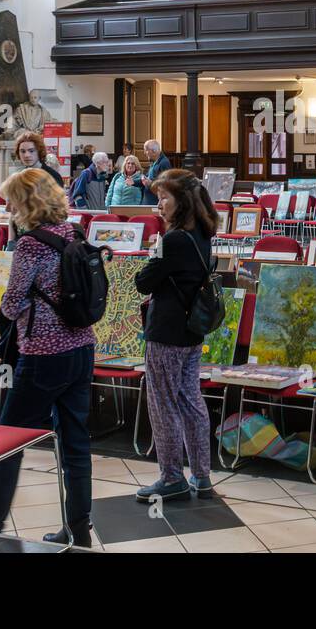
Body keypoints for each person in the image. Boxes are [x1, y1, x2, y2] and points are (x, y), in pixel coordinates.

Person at [0, 168, 94, 547]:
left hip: (43, 353)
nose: (7, 206)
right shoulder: (73, 232)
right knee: (75, 442)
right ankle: (78, 529)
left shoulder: (30, 245)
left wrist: (24, 299)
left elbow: (11, 305)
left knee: (9, 438)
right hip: (82, 346)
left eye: (12, 199)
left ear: (27, 202)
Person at [133, 169, 216, 502]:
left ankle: (170, 477)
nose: (159, 205)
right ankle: (202, 475)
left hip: (166, 331)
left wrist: (158, 243)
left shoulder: (173, 239)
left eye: (164, 197)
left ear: (180, 201)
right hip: (191, 332)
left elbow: (143, 281)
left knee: (163, 404)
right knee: (191, 401)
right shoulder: (204, 233)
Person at [139, 139, 172, 206]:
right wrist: (134, 182)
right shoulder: (154, 161)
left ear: (153, 151)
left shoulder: (164, 162)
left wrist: (151, 183)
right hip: (147, 201)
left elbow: (166, 184)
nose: (145, 153)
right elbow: (148, 178)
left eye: (146, 150)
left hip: (155, 203)